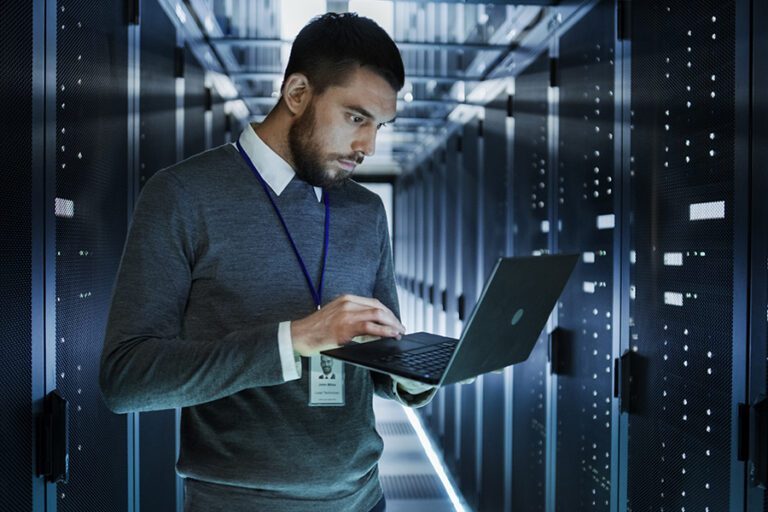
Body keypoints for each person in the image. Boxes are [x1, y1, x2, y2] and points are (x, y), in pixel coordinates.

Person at [99, 12, 437, 512]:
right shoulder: (183, 195)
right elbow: (126, 379)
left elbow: (379, 362)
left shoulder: (366, 211)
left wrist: (415, 373)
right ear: (297, 93)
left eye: (379, 125)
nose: (368, 145)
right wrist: (293, 339)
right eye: (355, 117)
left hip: (364, 499)